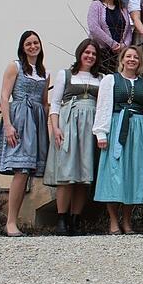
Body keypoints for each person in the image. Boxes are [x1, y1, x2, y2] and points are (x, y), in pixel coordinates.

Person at [0, 31, 49, 237]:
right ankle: (10, 222)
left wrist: (44, 129)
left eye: (36, 42)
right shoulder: (15, 66)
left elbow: (44, 102)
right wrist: (8, 125)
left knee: (28, 171)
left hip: (37, 122)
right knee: (21, 170)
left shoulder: (44, 72)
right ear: (22, 47)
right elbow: (4, 96)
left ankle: (14, 221)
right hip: (20, 120)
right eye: (28, 43)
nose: (33, 46)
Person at [93, 46, 143, 234]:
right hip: (116, 127)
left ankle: (127, 221)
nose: (132, 59)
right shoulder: (110, 80)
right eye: (128, 56)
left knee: (133, 175)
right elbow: (103, 106)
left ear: (140, 61)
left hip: (138, 131)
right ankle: (113, 221)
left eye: (135, 57)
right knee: (113, 174)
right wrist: (101, 133)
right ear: (121, 60)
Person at [44, 38, 101, 236]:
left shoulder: (101, 78)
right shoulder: (66, 74)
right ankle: (62, 218)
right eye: (87, 52)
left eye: (93, 53)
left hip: (90, 128)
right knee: (66, 174)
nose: (90, 56)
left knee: (83, 176)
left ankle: (76, 219)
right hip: (69, 125)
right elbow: (55, 103)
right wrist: (55, 128)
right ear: (80, 53)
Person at [88, 0, 132, 74]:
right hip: (101, 52)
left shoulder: (123, 8)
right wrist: (112, 44)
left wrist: (124, 46)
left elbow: (128, 30)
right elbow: (93, 27)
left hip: (119, 54)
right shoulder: (96, 5)